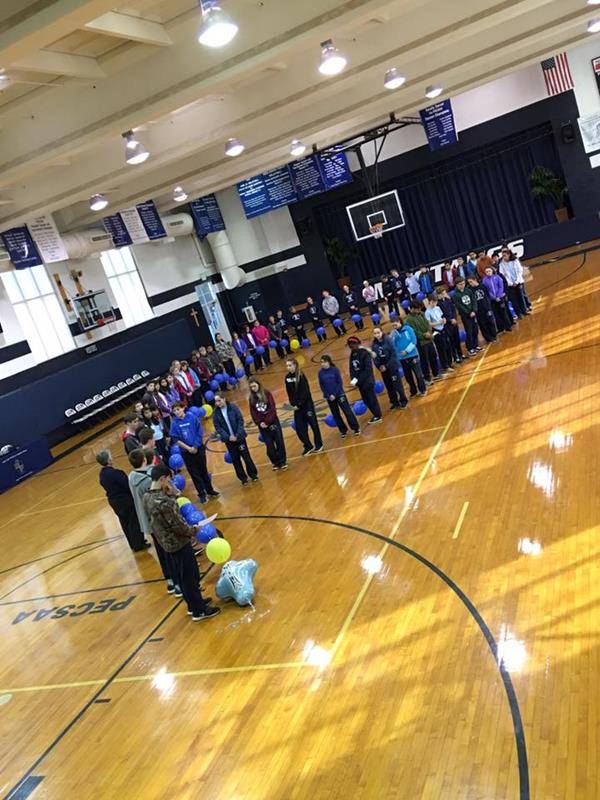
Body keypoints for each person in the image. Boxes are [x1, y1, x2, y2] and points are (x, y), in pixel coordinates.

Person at [144, 464, 220, 622]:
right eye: (169, 480)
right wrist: (194, 530)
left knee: (182, 576)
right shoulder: (165, 501)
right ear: (163, 478)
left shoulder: (147, 497)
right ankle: (199, 610)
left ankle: (194, 604)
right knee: (190, 577)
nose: (170, 484)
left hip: (166, 544)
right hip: (179, 543)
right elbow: (178, 525)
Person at [128, 449, 178, 595]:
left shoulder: (131, 477)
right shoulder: (148, 481)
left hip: (145, 520)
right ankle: (176, 581)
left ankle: (169, 580)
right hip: (157, 520)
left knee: (160, 551)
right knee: (168, 550)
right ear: (144, 460)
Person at [96, 450, 149, 552]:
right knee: (133, 520)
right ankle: (138, 543)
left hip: (113, 501)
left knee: (124, 521)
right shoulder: (116, 473)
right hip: (124, 500)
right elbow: (127, 485)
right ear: (109, 460)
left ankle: (133, 543)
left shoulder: (102, 474)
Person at [169, 402, 220, 504]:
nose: (176, 412)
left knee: (203, 470)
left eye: (178, 409)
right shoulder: (174, 423)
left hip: (198, 449)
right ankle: (201, 494)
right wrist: (188, 448)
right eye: (174, 411)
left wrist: (195, 446)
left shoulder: (192, 417)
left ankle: (210, 490)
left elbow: (199, 432)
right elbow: (175, 439)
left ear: (183, 408)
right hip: (186, 452)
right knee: (194, 474)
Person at [212, 394, 259, 486]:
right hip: (229, 441)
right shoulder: (215, 413)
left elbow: (240, 420)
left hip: (239, 438)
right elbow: (218, 428)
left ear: (224, 399)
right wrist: (228, 437)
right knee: (235, 460)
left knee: (246, 457)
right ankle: (243, 478)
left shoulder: (233, 407)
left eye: (219, 400)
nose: (217, 403)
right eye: (216, 401)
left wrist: (237, 434)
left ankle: (253, 474)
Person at [284, 357, 324, 455]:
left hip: (306, 405)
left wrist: (299, 404)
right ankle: (308, 445)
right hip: (297, 408)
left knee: (314, 425)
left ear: (295, 365)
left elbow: (305, 392)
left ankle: (319, 445)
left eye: (290, 365)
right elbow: (289, 393)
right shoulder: (287, 378)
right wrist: (293, 404)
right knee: (299, 428)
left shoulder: (301, 376)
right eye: (287, 366)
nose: (288, 367)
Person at [248, 379, 288, 470]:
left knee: (279, 442)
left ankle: (282, 461)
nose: (253, 388)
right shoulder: (251, 398)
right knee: (269, 445)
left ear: (258, 385)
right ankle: (275, 462)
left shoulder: (267, 393)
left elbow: (272, 408)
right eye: (251, 387)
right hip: (262, 425)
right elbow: (253, 412)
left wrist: (267, 421)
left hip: (272, 422)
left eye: (254, 386)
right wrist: (259, 422)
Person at [318, 354, 360, 437]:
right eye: (321, 362)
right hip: (329, 397)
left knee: (347, 411)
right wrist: (328, 395)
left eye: (324, 362)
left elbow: (339, 383)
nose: (322, 364)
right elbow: (322, 385)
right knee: (335, 414)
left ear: (329, 362)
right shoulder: (320, 373)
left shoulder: (335, 370)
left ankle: (355, 428)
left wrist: (334, 394)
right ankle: (343, 430)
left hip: (339, 394)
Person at [347, 336, 382, 423]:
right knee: (366, 399)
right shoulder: (352, 354)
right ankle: (375, 414)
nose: (352, 346)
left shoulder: (364, 353)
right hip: (360, 383)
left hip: (367, 381)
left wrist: (358, 379)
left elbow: (368, 369)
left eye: (353, 344)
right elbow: (352, 368)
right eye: (350, 345)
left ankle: (378, 415)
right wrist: (353, 379)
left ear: (358, 344)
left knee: (371, 399)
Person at [371, 327, 408, 408]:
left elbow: (393, 354)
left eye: (378, 332)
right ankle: (394, 402)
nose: (377, 335)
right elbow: (374, 357)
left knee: (397, 385)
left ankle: (403, 400)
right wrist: (379, 366)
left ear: (382, 332)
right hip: (383, 369)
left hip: (392, 367)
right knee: (389, 386)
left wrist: (387, 366)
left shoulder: (388, 340)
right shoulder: (374, 344)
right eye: (375, 333)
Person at [405, 301, 441, 382]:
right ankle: (427, 377)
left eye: (419, 309)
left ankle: (436, 373)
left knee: (433, 356)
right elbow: (413, 332)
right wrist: (424, 335)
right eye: (417, 309)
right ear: (411, 309)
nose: (418, 311)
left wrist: (429, 332)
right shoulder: (408, 320)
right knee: (424, 360)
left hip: (429, 340)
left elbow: (427, 324)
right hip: (421, 343)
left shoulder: (422, 313)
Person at [391, 320, 427, 397]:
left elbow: (414, 341)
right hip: (402, 358)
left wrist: (407, 351)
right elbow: (393, 346)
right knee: (408, 376)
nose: (394, 327)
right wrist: (394, 338)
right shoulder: (393, 334)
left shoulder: (408, 329)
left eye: (395, 324)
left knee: (418, 374)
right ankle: (413, 391)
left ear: (399, 322)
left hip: (413, 355)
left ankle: (422, 390)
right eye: (393, 326)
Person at [436, 286, 465, 364]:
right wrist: (449, 320)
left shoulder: (448, 300)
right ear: (439, 295)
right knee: (451, 341)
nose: (445, 294)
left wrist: (454, 318)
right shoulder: (438, 304)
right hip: (447, 325)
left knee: (457, 339)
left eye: (445, 293)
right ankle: (455, 357)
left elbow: (453, 310)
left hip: (454, 322)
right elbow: (441, 315)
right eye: (443, 293)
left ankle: (460, 354)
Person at [452, 276, 481, 355]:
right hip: (466, 316)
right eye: (460, 284)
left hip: (473, 313)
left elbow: (474, 300)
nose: (463, 285)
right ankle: (470, 348)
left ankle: (476, 345)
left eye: (464, 283)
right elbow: (459, 306)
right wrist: (469, 312)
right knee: (469, 331)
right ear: (457, 285)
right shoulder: (455, 295)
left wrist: (474, 310)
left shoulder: (468, 291)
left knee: (475, 329)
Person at [425, 294, 453, 372]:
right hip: (436, 331)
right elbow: (429, 324)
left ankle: (450, 362)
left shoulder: (437, 308)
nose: (435, 304)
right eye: (434, 302)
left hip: (443, 328)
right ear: (430, 302)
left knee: (447, 346)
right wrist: (438, 323)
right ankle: (445, 366)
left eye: (436, 302)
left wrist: (444, 319)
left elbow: (442, 316)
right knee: (441, 349)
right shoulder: (427, 312)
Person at [498, 247, 528, 319]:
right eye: (503, 255)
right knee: (514, 300)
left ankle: (524, 310)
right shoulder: (501, 264)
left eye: (505, 255)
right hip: (510, 285)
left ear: (509, 255)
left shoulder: (515, 261)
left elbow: (519, 271)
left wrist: (516, 281)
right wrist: (510, 283)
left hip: (518, 282)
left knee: (521, 297)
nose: (504, 257)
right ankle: (518, 313)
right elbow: (503, 275)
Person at [467, 276, 497, 344]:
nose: (470, 283)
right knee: (482, 324)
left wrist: (489, 306)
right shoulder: (470, 290)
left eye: (471, 282)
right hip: (478, 310)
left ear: (475, 279)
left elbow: (487, 295)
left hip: (486, 307)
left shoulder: (482, 286)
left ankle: (494, 336)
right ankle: (488, 338)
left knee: (490, 322)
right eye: (469, 282)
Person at [483, 266, 513, 333]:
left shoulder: (497, 277)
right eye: (487, 272)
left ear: (492, 271)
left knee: (503, 312)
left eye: (489, 271)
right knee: (496, 314)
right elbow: (487, 290)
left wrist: (499, 296)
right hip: (492, 300)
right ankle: (500, 328)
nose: (488, 273)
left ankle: (508, 326)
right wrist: (494, 297)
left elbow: (501, 287)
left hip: (500, 298)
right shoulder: (484, 280)